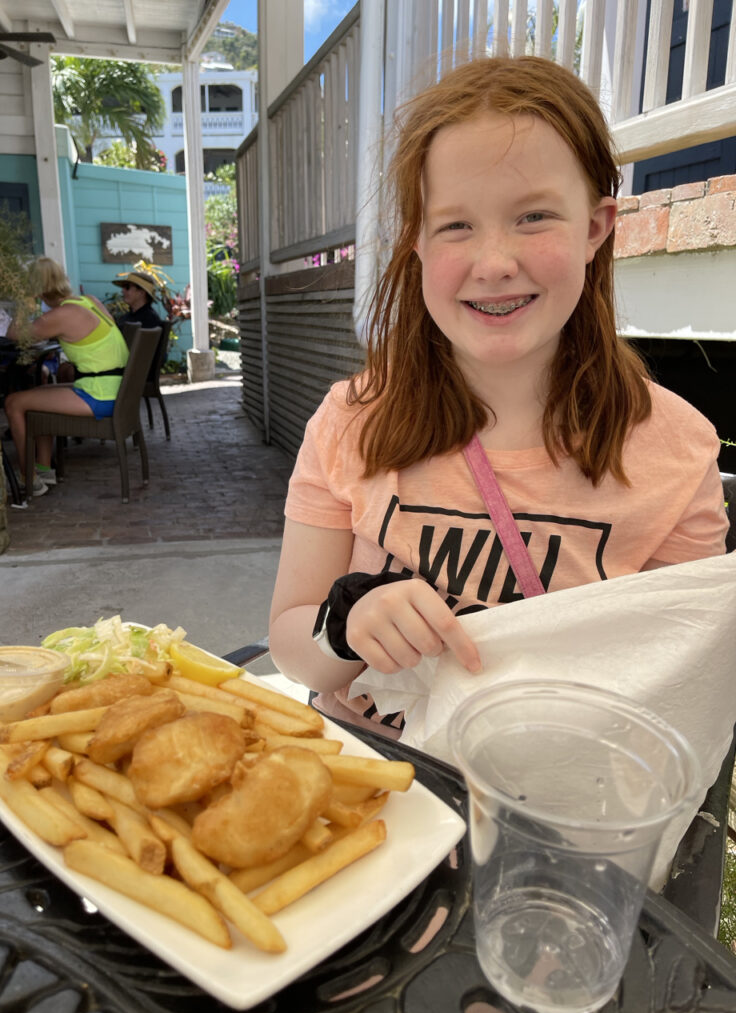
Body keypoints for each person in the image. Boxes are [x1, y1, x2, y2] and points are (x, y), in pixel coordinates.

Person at [268, 56, 729, 736]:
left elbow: (680, 689)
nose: (493, 263)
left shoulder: (674, 449)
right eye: (455, 225)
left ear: (597, 227)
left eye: (534, 216)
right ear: (418, 240)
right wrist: (347, 626)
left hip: (551, 810)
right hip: (378, 801)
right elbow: (291, 642)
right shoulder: (353, 419)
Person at [4, 257, 129, 497]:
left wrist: (22, 300)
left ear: (37, 288)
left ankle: (27, 478)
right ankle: (43, 469)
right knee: (38, 394)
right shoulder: (89, 301)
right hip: (116, 388)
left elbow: (15, 333)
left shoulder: (63, 314)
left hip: (100, 394)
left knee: (13, 402)